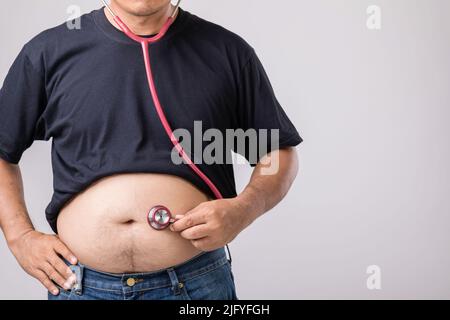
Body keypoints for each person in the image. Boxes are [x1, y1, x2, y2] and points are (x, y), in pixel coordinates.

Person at [0, 0, 302, 300]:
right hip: (78, 285)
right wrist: (20, 237)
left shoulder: (226, 52)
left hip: (196, 285)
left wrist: (243, 209)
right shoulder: (48, 51)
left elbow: (278, 155)